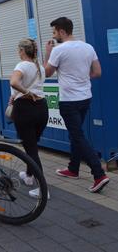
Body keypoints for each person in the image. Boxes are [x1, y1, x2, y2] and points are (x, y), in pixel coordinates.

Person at [44, 17, 110, 193]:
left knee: (78, 136)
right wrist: (81, 77)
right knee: (76, 134)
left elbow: (47, 72)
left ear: (62, 31)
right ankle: (73, 169)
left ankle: (99, 174)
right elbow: (97, 72)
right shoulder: (88, 47)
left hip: (69, 101)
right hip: (85, 98)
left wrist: (48, 53)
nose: (53, 36)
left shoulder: (59, 50)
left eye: (54, 32)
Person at [9, 38, 49, 198]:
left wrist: (25, 92)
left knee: (31, 149)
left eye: (19, 50)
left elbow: (14, 82)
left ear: (23, 51)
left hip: (25, 110)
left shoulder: (22, 65)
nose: (18, 53)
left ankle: (43, 189)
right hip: (42, 109)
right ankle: (29, 176)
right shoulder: (39, 67)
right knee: (32, 145)